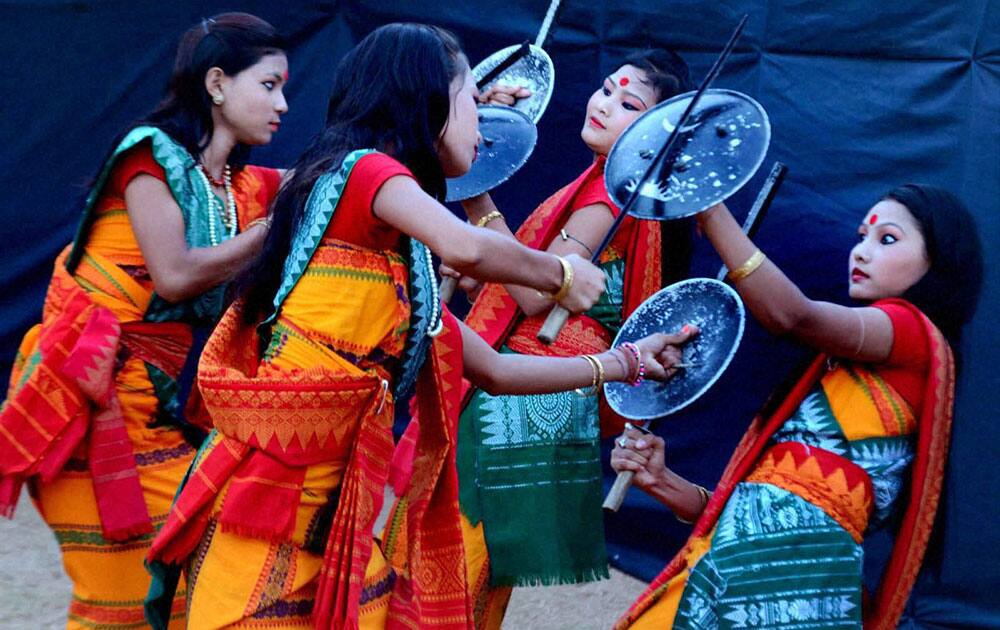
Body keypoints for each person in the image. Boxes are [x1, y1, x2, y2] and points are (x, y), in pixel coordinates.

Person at [143, 23, 697, 629]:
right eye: (471, 103)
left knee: (431, 597)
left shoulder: (404, 263)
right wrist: (560, 274)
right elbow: (471, 251)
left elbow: (497, 369)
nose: (485, 125)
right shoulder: (365, 172)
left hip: (330, 502)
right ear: (427, 108)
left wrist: (628, 362)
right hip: (275, 493)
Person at [0, 13, 288, 629]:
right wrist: (267, 235)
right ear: (216, 84)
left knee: (177, 593)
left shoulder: (235, 186)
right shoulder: (149, 157)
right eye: (268, 86)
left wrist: (450, 115)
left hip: (147, 408)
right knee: (124, 607)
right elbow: (177, 275)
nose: (283, 103)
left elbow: (339, 180)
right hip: (87, 399)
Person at [611, 184, 983, 629]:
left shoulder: (912, 335)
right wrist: (665, 483)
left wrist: (709, 209)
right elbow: (767, 505)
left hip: (795, 579)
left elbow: (793, 316)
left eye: (887, 239)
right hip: (737, 564)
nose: (861, 252)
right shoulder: (832, 369)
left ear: (939, 262)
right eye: (861, 237)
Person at [439, 49, 695, 627]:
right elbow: (518, 293)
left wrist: (475, 186)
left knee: (457, 559)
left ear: (657, 136)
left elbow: (533, 293)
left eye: (628, 104)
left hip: (530, 399)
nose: (605, 103)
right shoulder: (603, 188)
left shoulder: (611, 196)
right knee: (468, 569)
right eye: (606, 89)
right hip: (539, 396)